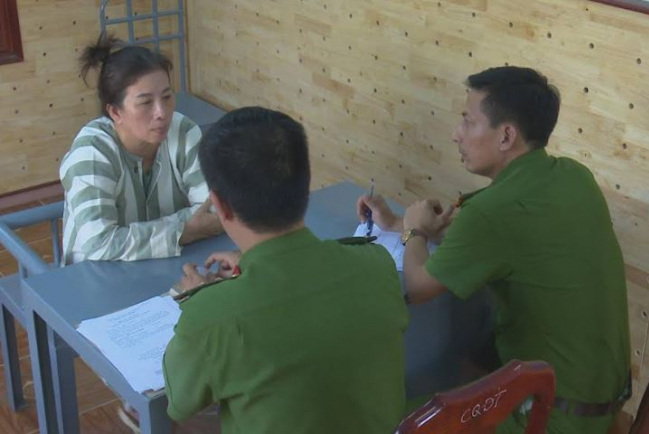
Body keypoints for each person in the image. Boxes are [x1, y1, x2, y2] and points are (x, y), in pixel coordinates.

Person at [357, 66, 631, 433]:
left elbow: (419, 287)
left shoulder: (491, 213)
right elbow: (509, 236)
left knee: (384, 420)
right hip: (603, 399)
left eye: (468, 121)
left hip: (550, 416)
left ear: (506, 136)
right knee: (471, 354)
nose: (456, 133)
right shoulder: (573, 176)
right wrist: (396, 222)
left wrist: (413, 232)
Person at [162, 107, 408, 434]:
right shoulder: (376, 263)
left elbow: (179, 402)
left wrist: (197, 300)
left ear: (218, 206)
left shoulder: (209, 316)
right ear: (305, 186)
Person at [59, 33, 221, 264]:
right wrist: (184, 231)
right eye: (146, 102)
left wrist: (132, 236)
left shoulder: (183, 131)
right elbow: (99, 244)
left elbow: (215, 209)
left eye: (167, 97)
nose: (162, 113)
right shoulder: (92, 151)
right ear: (115, 112)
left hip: (163, 266)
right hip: (96, 274)